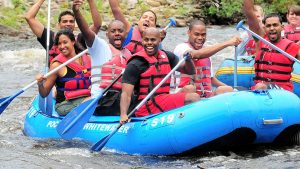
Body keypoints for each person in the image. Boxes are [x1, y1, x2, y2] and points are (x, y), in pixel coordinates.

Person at [120, 27, 200, 123]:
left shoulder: (168, 56)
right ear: (142, 41)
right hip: (146, 106)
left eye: (153, 40)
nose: (149, 42)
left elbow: (190, 71)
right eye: (146, 40)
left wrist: (188, 60)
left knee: (190, 88)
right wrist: (123, 114)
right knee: (193, 98)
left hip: (162, 99)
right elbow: (126, 93)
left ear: (159, 41)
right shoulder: (135, 63)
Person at [72, 0, 132, 116]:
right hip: (102, 101)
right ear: (107, 34)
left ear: (126, 34)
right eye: (113, 31)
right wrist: (76, 12)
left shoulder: (129, 54)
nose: (117, 33)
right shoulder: (99, 46)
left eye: (120, 31)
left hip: (122, 100)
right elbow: (85, 31)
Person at [173, 20, 241, 97]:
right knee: (190, 89)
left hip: (205, 96)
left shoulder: (207, 53)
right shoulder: (181, 48)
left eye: (203, 35)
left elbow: (211, 79)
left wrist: (233, 90)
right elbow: (196, 55)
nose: (200, 38)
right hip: (186, 95)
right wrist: (228, 43)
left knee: (226, 89)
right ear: (189, 33)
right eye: (196, 34)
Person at [243, 0, 300, 92]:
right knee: (223, 90)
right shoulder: (260, 39)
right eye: (268, 26)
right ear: (264, 28)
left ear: (282, 27)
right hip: (258, 89)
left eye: (275, 25)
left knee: (260, 87)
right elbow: (249, 12)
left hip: (283, 91)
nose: (272, 28)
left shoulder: (292, 47)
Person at [35, 29, 91, 116]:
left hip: (87, 98)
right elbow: (44, 93)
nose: (62, 46)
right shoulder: (57, 65)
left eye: (65, 42)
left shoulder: (87, 58)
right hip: (65, 105)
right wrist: (40, 83)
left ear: (73, 42)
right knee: (93, 101)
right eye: (59, 44)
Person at [25, 0, 101, 62]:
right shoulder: (50, 38)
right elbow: (29, 17)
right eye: (65, 21)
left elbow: (97, 25)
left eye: (71, 21)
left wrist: (91, 1)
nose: (68, 24)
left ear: (75, 25)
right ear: (59, 25)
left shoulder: (82, 38)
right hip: (56, 77)